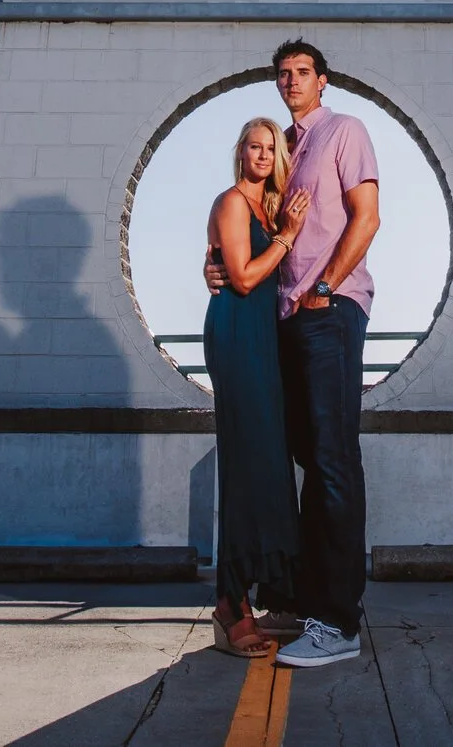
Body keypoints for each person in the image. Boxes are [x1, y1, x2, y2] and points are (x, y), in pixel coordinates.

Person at [209, 39, 381, 669]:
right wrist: (216, 263)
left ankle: (338, 623)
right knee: (302, 460)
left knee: (333, 460)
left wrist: (327, 288)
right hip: (279, 321)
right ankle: (303, 599)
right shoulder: (282, 147)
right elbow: (250, 226)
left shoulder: (343, 131)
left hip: (329, 312)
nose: (291, 81)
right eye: (283, 74)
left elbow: (367, 218)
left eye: (302, 73)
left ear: (322, 80)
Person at [203, 117, 309, 657]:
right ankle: (229, 605)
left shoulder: (265, 206)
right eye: (255, 145)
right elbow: (241, 278)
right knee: (246, 465)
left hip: (261, 339)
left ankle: (270, 592)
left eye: (272, 148)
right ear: (240, 150)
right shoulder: (231, 202)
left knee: (267, 463)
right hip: (236, 334)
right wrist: (287, 237)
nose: (263, 155)